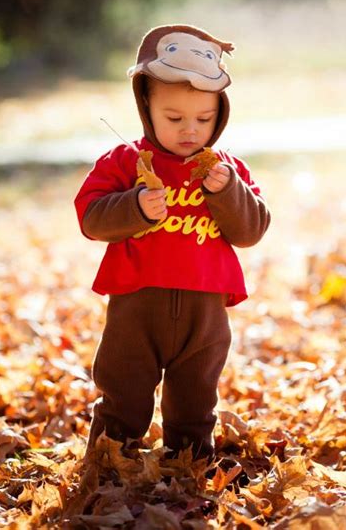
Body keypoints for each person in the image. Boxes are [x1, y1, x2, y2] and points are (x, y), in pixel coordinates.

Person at [74, 24, 271, 463]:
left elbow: (252, 230)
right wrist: (135, 207)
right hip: (136, 303)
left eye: (203, 119)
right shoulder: (126, 160)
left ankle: (189, 463)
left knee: (195, 397)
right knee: (123, 388)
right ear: (147, 107)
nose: (190, 131)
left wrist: (228, 192)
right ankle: (109, 462)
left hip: (204, 307)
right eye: (174, 118)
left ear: (219, 115)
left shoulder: (226, 168)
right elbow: (90, 217)